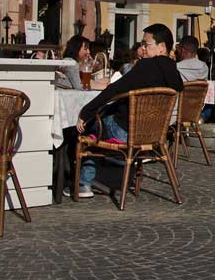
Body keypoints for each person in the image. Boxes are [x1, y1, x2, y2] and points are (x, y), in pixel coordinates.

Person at [74, 24, 183, 198]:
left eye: (146, 44)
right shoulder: (174, 73)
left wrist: (86, 112)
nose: (142, 48)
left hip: (125, 133)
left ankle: (83, 183)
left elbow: (114, 89)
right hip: (155, 135)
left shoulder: (145, 66)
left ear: (162, 47)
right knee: (100, 119)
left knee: (88, 125)